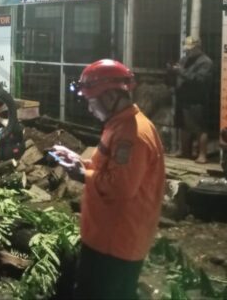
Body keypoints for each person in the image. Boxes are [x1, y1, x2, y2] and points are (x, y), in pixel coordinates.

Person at [53, 59, 165, 299]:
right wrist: (79, 161)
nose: (89, 108)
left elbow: (122, 186)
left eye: (91, 101)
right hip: (105, 236)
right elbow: (109, 168)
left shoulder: (133, 135)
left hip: (115, 244)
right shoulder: (119, 124)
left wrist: (82, 175)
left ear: (109, 96)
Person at [170, 36, 213, 164]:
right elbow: (180, 73)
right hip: (183, 98)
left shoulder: (206, 62)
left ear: (198, 47)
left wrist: (181, 71)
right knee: (183, 125)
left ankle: (202, 155)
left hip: (197, 100)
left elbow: (199, 80)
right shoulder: (185, 59)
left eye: (191, 49)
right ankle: (185, 152)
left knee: (200, 127)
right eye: (187, 49)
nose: (188, 51)